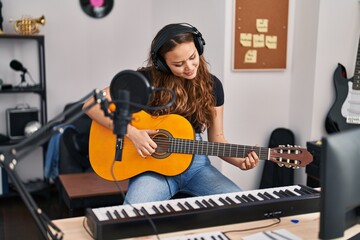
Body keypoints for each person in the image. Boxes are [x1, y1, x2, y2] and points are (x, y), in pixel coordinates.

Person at [83, 23, 259, 204]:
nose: (189, 67)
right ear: (162, 64)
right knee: (129, 215)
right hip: (153, 170)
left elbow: (217, 139)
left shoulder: (213, 86)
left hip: (197, 167)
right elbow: (91, 105)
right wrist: (133, 133)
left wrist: (240, 162)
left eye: (192, 57)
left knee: (240, 205)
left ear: (199, 47)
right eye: (178, 64)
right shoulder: (146, 80)